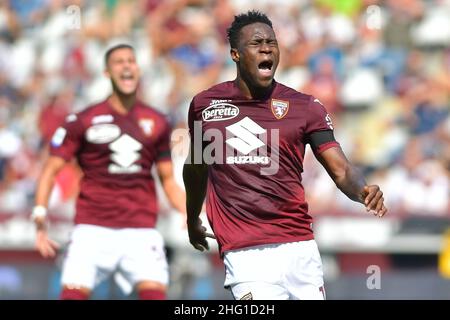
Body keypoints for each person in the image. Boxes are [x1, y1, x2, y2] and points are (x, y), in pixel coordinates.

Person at [183, 11, 387, 300]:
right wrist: (192, 218)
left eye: (272, 42)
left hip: (300, 249)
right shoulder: (206, 105)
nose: (266, 48)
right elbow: (196, 167)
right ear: (235, 54)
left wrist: (362, 190)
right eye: (256, 43)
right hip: (245, 253)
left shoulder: (305, 106)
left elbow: (340, 169)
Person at [32, 44, 185, 300]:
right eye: (119, 62)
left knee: (155, 295)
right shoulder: (84, 120)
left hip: (141, 229)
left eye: (131, 61)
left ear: (138, 69)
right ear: (106, 72)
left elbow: (168, 179)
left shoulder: (158, 121)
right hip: (92, 228)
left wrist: (188, 212)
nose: (126, 66)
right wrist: (39, 213)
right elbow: (50, 169)